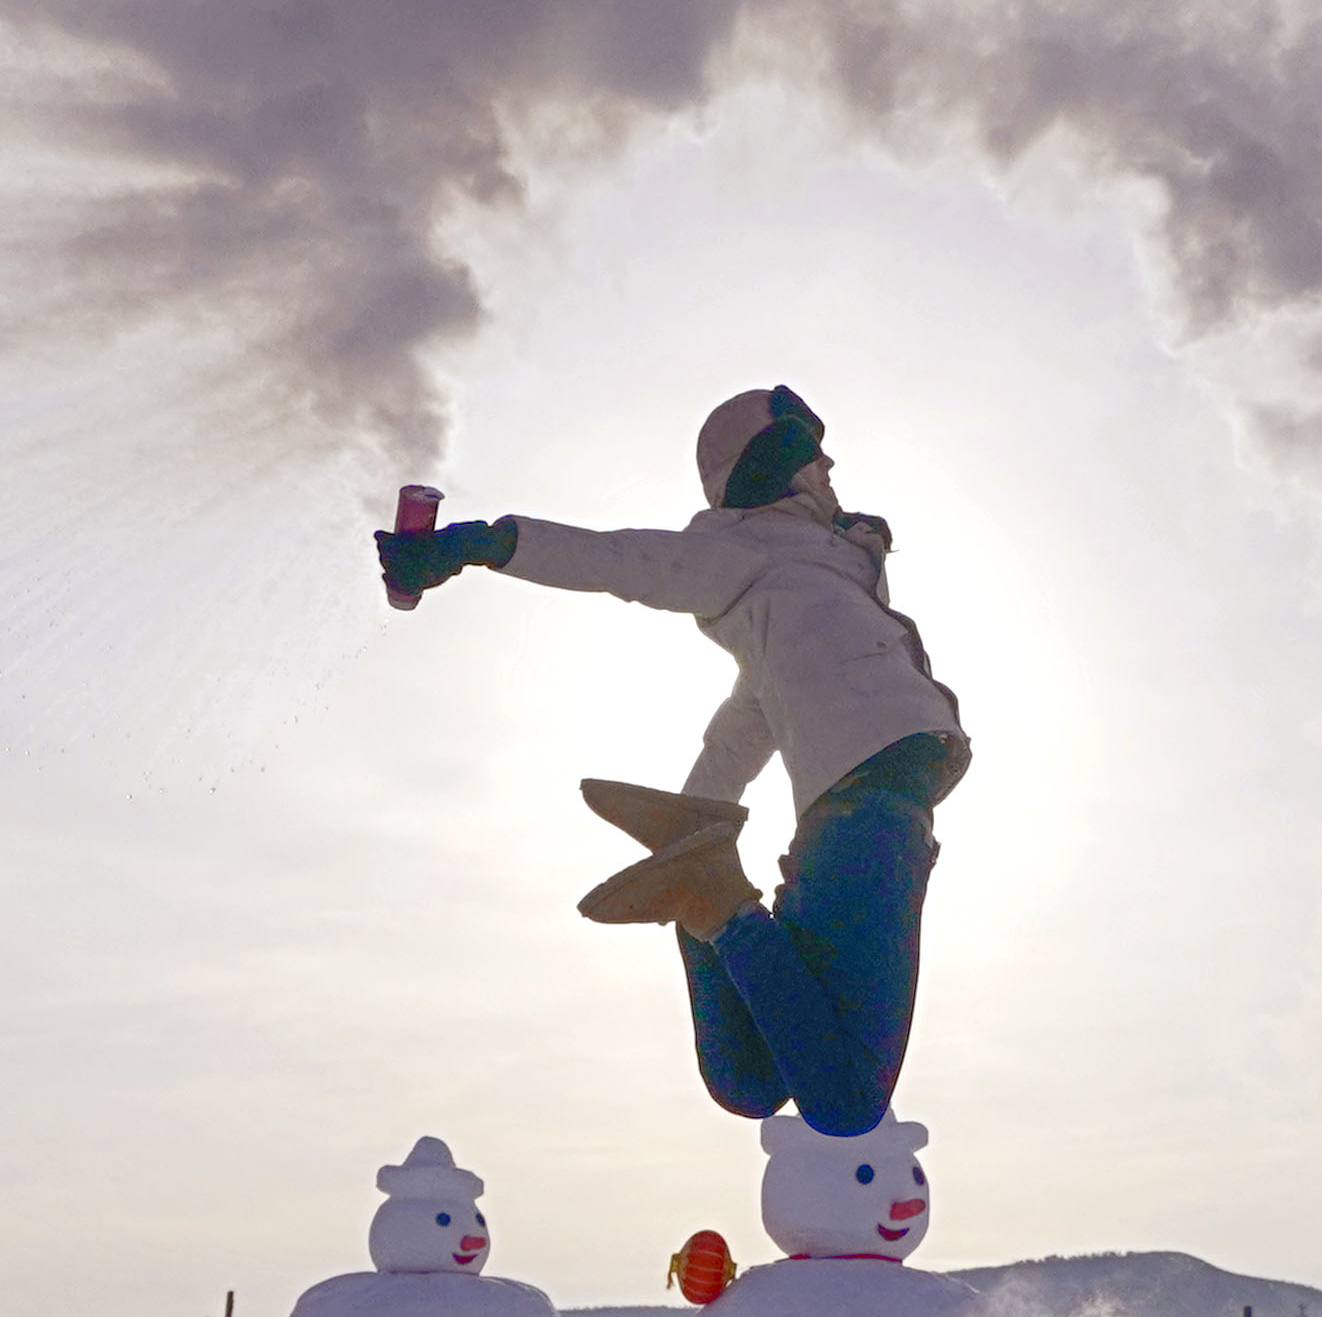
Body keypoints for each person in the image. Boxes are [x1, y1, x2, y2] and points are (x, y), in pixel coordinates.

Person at [375, 385, 970, 1140]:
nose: (827, 465)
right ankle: (713, 894)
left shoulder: (819, 576)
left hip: (852, 818)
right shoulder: (742, 547)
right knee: (846, 1103)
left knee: (748, 1083)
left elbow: (744, 723)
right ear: (769, 470)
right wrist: (482, 544)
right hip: (874, 807)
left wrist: (693, 815)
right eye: (806, 453)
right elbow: (619, 559)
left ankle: (702, 903)